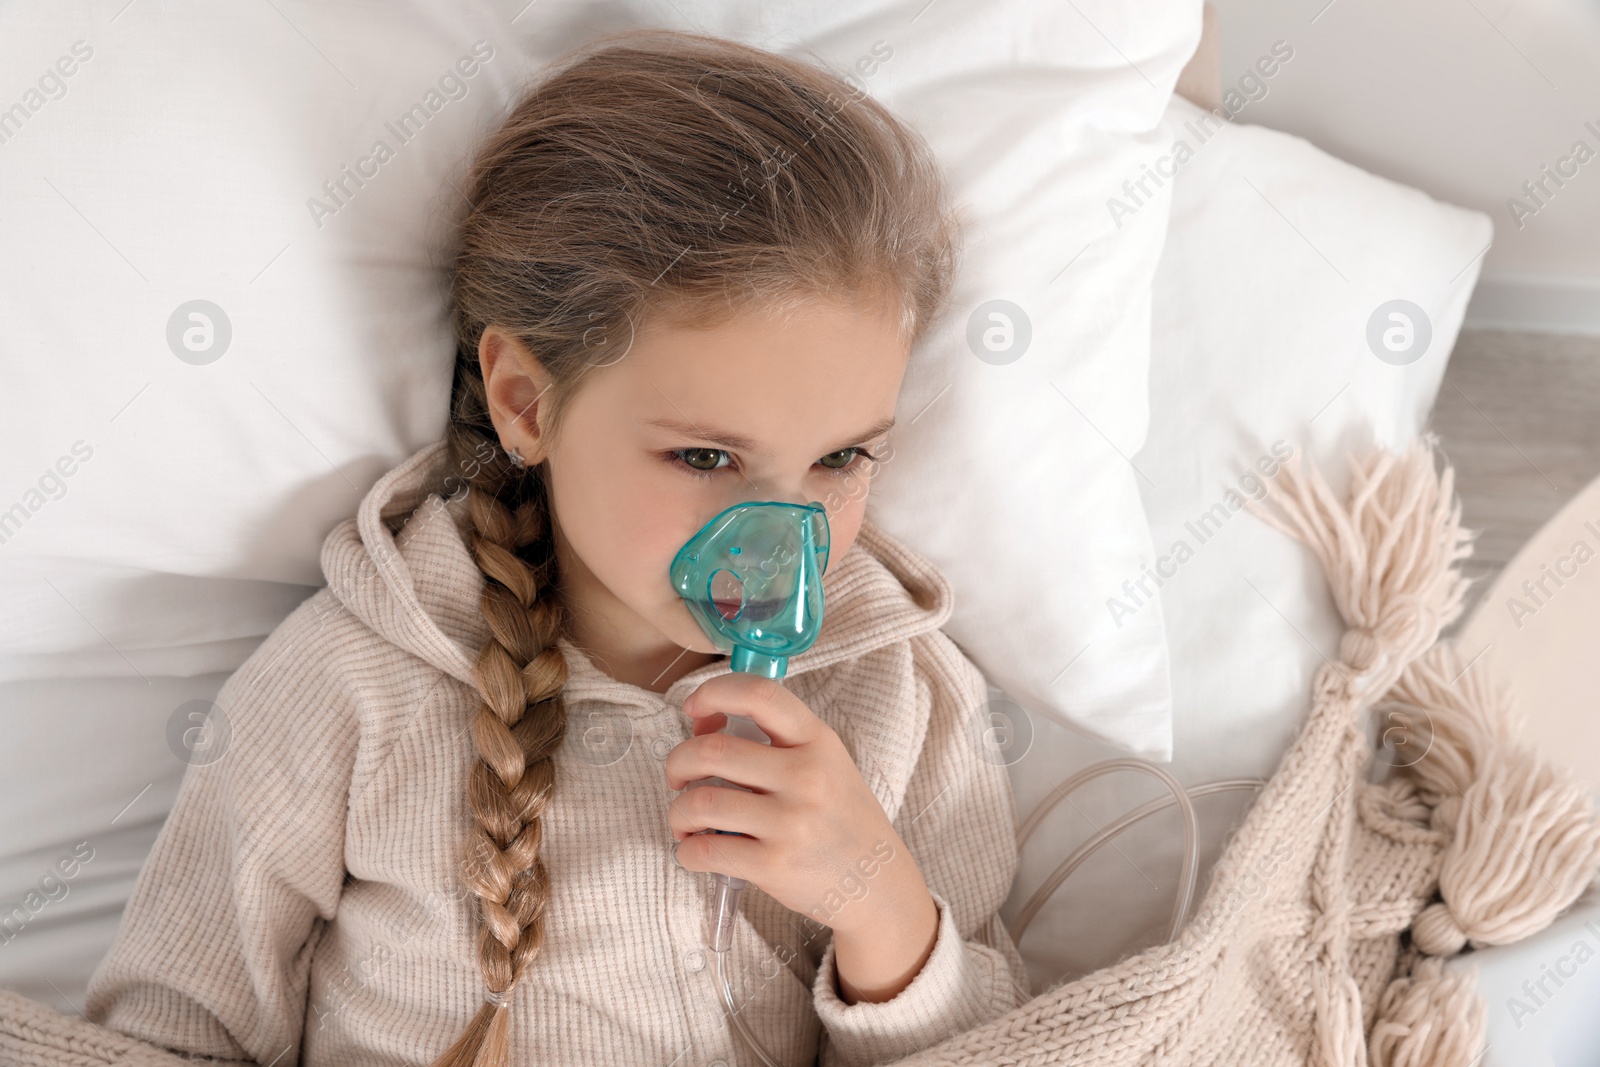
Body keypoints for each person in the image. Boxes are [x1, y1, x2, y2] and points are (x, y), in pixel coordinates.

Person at [80, 28, 1029, 1067]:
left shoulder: (896, 697)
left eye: (841, 458)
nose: (780, 538)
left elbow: (1005, 1045)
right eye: (706, 454)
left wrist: (881, 907)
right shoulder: (350, 687)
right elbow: (174, 1025)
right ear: (526, 403)